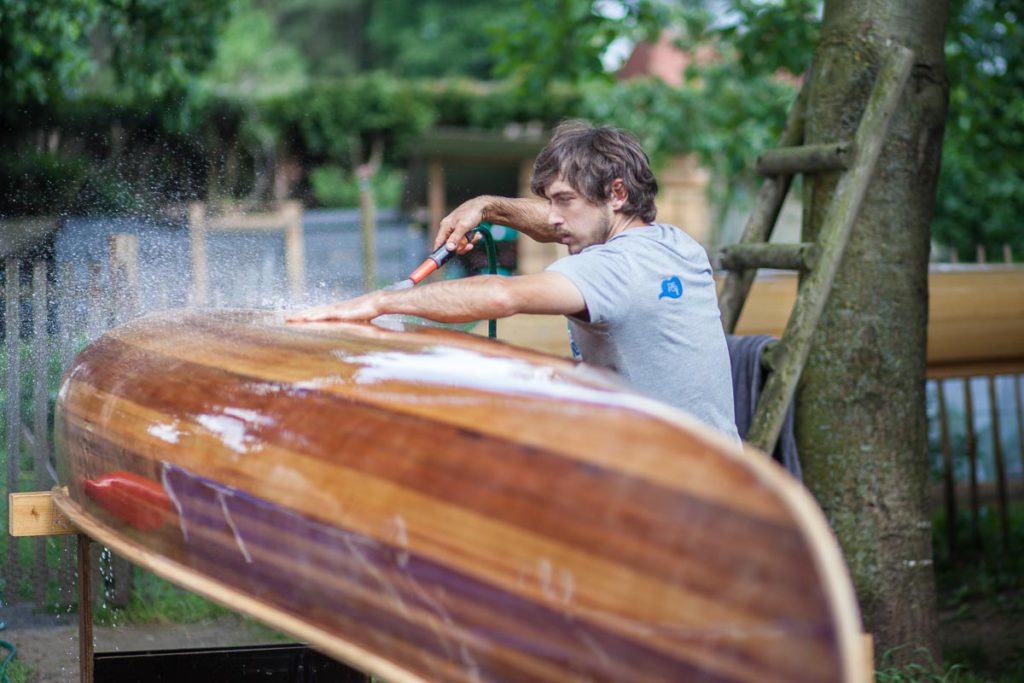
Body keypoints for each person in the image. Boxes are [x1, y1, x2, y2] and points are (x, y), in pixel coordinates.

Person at [290, 120, 738, 440]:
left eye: (564, 200)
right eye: (550, 203)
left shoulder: (608, 268)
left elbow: (504, 294)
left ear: (616, 193)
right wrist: (488, 207)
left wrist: (381, 303)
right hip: (724, 470)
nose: (554, 218)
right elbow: (555, 224)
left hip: (668, 492)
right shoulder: (675, 245)